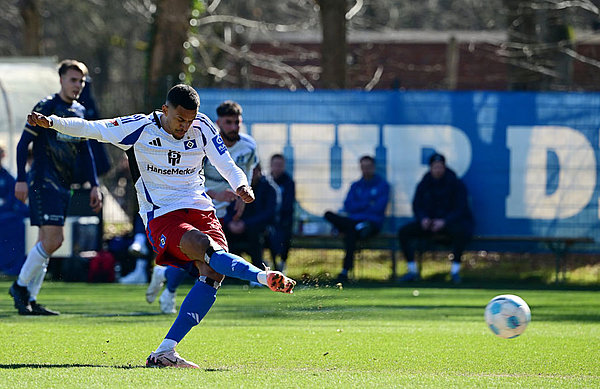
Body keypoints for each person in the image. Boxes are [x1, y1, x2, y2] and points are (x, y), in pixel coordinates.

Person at [26, 84, 296, 368]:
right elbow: (93, 128)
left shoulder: (202, 126)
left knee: (213, 273)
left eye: (190, 120)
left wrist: (240, 184)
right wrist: (52, 122)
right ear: (165, 110)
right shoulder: (139, 127)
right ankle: (264, 278)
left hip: (202, 210)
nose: (185, 126)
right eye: (180, 119)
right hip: (163, 215)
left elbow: (226, 163)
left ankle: (165, 351)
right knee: (206, 249)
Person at [146, 100, 258, 314]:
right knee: (197, 255)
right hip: (199, 204)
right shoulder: (203, 139)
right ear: (218, 123)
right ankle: (169, 291)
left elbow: (247, 171)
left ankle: (164, 275)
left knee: (210, 261)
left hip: (229, 208)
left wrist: (243, 197)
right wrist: (215, 193)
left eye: (237, 123)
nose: (234, 127)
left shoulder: (249, 146)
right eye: (228, 122)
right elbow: (188, 178)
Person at [9, 59, 103, 316]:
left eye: (81, 81)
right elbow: (22, 145)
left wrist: (95, 185)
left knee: (46, 242)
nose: (77, 85)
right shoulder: (46, 107)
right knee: (55, 240)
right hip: (42, 182)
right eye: (73, 80)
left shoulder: (81, 112)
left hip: (64, 185)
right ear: (61, 80)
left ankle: (30, 298)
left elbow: (86, 152)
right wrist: (20, 178)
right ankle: (19, 287)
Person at [397, 153, 474, 284]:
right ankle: (412, 271)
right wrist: (423, 219)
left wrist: (444, 221)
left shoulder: (455, 183)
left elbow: (461, 208)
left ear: (444, 167)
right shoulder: (424, 183)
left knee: (462, 232)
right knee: (404, 232)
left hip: (449, 224)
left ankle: (455, 272)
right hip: (429, 224)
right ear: (430, 168)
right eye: (435, 167)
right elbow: (417, 205)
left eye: (440, 167)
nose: (437, 170)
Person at [324, 155, 390, 282]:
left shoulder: (382, 185)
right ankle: (356, 228)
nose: (366, 169)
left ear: (374, 167)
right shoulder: (356, 185)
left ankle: (344, 271)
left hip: (372, 223)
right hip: (354, 222)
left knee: (350, 232)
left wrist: (359, 206)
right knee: (329, 215)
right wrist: (367, 203)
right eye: (363, 167)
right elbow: (348, 205)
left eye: (368, 167)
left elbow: (379, 208)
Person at [223, 164, 277, 277]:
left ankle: (258, 274)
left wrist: (245, 224)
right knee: (224, 234)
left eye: (254, 170)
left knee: (255, 233)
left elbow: (268, 214)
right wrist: (230, 223)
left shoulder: (269, 188)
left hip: (259, 230)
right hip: (237, 228)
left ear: (259, 171)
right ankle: (228, 273)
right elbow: (227, 208)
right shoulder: (237, 188)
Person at [266, 154, 295, 273]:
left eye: (280, 165)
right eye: (275, 165)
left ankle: (282, 262)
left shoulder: (289, 182)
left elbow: (289, 204)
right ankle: (270, 264)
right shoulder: (266, 181)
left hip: (284, 219)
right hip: (268, 218)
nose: (277, 168)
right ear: (271, 166)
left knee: (286, 234)